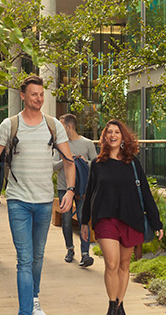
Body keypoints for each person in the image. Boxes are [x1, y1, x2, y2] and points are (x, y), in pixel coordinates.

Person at [0, 75, 76, 315]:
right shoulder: (10, 124)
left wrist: (70, 190)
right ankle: (25, 311)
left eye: (41, 94)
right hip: (18, 202)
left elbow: (69, 162)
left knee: (38, 256)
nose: (38, 98)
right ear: (23, 96)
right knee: (24, 259)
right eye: (34, 94)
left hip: (45, 202)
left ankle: (34, 298)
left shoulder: (53, 125)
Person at [81, 119, 164, 315]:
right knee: (112, 263)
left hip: (131, 219)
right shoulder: (97, 164)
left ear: (123, 137)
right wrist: (84, 222)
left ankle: (120, 304)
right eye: (109, 132)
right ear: (104, 137)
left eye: (116, 132)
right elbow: (89, 192)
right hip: (106, 220)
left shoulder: (133, 163)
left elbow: (145, 192)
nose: (112, 135)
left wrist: (156, 222)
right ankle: (112, 307)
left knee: (124, 265)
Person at [53, 113, 97, 267]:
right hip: (64, 187)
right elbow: (52, 166)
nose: (58, 128)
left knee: (82, 219)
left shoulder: (87, 143)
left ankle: (85, 254)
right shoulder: (58, 144)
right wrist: (65, 158)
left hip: (83, 188)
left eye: (61, 125)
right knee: (66, 221)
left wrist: (85, 161)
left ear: (69, 126)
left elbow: (96, 163)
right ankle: (69, 249)